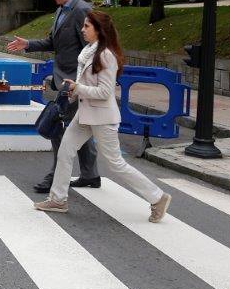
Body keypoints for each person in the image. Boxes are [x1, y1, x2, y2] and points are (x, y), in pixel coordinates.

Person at [34, 11, 172, 222]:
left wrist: (79, 88)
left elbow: (105, 92)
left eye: (87, 26)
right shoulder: (89, 51)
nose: (82, 29)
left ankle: (158, 197)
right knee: (65, 152)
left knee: (116, 163)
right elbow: (87, 86)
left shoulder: (106, 55)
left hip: (102, 117)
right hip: (85, 114)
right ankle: (58, 199)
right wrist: (74, 90)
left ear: (99, 30)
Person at [7, 0, 99, 193]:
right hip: (65, 81)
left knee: (57, 128)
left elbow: (93, 48)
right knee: (79, 128)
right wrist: (27, 43)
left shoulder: (82, 11)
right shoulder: (61, 11)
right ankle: (90, 175)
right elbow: (53, 42)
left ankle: (56, 177)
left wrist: (82, 83)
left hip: (75, 84)